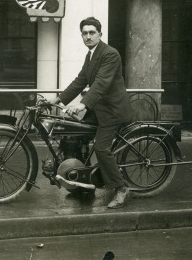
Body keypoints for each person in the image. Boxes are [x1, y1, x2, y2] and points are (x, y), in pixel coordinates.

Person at [50, 17, 133, 209]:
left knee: (102, 148)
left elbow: (101, 83)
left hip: (113, 110)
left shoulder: (110, 54)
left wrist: (83, 105)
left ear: (100, 34)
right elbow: (81, 80)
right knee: (77, 133)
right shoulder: (90, 55)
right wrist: (59, 99)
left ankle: (121, 188)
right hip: (99, 109)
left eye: (91, 32)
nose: (88, 36)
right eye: (84, 33)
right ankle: (85, 184)